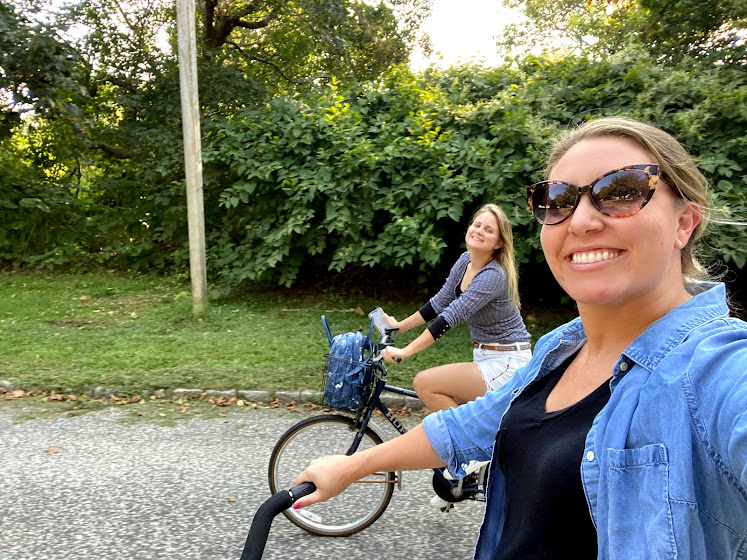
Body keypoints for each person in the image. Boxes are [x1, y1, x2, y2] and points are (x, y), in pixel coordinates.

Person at [292, 116, 747, 559]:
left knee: (429, 380)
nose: (582, 220)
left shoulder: (718, 368)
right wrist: (354, 464)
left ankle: (470, 474)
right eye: (559, 199)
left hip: (501, 355)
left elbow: (452, 316)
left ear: (685, 223)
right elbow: (443, 325)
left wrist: (407, 350)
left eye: (623, 192)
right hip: (498, 355)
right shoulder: (559, 349)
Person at [382, 203, 532, 412]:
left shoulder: (493, 275)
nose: (479, 231)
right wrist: (398, 328)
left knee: (425, 383)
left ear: (498, 243)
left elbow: (451, 315)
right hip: (486, 355)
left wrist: (405, 351)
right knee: (449, 400)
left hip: (506, 362)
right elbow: (440, 302)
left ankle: (465, 442)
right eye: (477, 225)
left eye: (488, 230)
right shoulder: (465, 261)